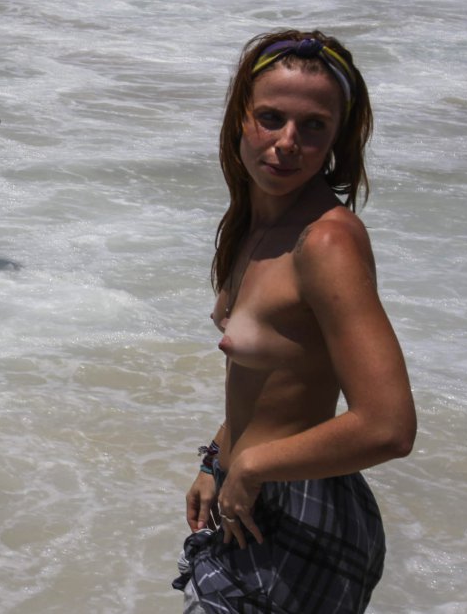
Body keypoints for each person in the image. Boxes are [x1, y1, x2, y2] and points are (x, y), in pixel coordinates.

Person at [173, 31, 416, 613]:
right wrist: (217, 459)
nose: (287, 142)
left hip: (304, 513)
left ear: (337, 137)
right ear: (241, 119)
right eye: (271, 117)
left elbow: (389, 426)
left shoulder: (327, 241)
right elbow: (268, 383)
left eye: (313, 126)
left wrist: (252, 465)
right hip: (251, 499)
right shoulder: (251, 224)